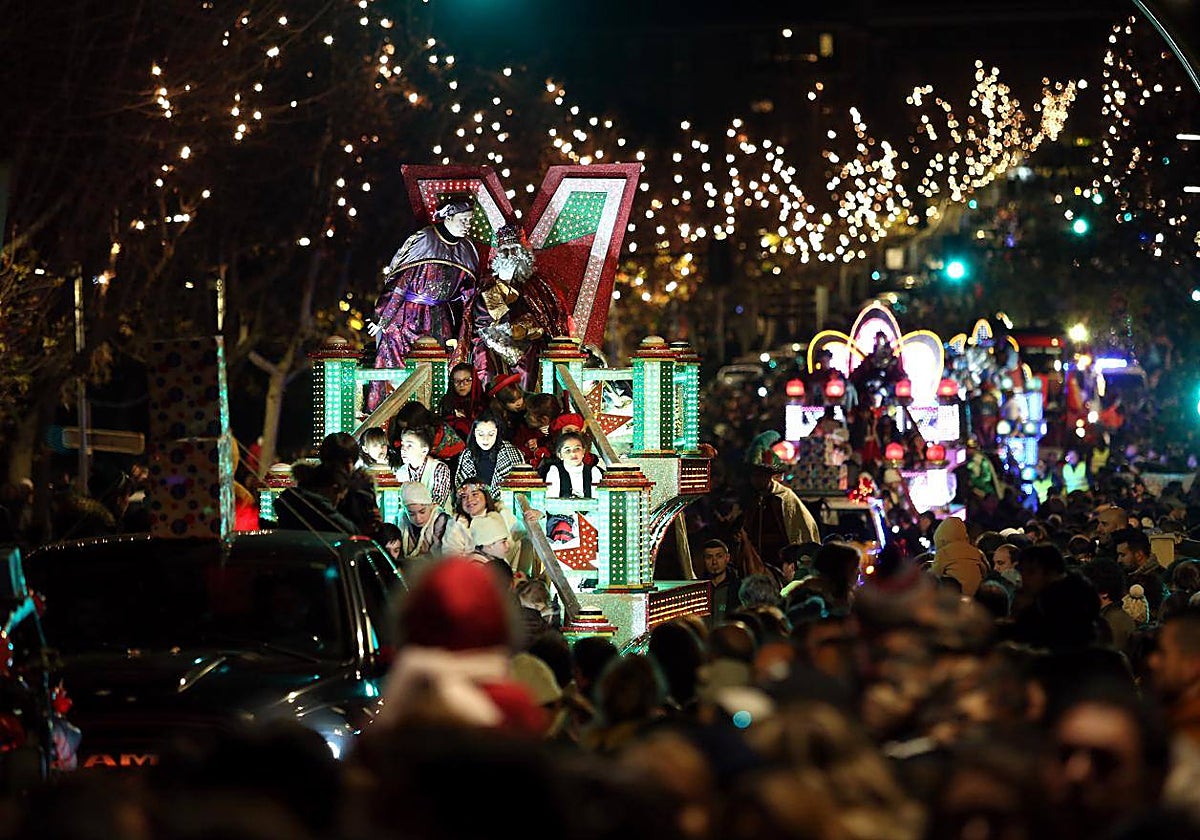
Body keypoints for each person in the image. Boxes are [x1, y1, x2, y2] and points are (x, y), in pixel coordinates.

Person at [366, 195, 480, 411]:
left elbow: (468, 291)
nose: (468, 225)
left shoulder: (468, 249)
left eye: (470, 220)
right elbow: (400, 282)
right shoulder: (424, 239)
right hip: (408, 316)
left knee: (439, 367)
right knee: (397, 367)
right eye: (463, 219)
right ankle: (391, 414)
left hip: (440, 317)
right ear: (448, 217)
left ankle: (435, 413)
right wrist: (382, 317)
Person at [467, 222, 572, 389]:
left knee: (527, 366)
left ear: (524, 253)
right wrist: (503, 283)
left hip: (527, 339)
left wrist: (524, 328)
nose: (510, 256)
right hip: (490, 338)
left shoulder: (538, 284)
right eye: (505, 252)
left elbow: (549, 319)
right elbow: (482, 319)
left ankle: (526, 405)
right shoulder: (488, 283)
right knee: (486, 365)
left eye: (515, 250)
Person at [394, 481, 472, 563]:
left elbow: (440, 558)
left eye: (422, 512)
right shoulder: (400, 520)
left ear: (431, 506)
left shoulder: (441, 522)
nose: (418, 518)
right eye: (412, 514)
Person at [455, 411, 526, 500]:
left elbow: (521, 490)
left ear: (497, 433)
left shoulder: (513, 455)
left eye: (491, 434)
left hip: (504, 509)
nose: (485, 439)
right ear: (474, 433)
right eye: (481, 434)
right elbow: (460, 490)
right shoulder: (466, 456)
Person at [273, 461, 357, 534]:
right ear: (334, 489)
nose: (339, 500)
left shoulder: (290, 501)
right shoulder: (320, 509)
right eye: (339, 496)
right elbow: (352, 531)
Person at [393, 427, 453, 509]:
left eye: (409, 445)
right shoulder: (401, 472)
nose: (403, 449)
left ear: (424, 451)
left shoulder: (438, 469)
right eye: (403, 445)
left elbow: (437, 506)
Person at [544, 432, 604, 500]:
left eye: (577, 449)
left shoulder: (594, 471)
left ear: (583, 451)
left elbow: (599, 500)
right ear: (560, 455)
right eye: (568, 450)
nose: (573, 453)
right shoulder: (554, 471)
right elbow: (551, 500)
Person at [439, 362, 486, 442]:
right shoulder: (447, 401)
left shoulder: (484, 402)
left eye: (467, 380)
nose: (461, 385)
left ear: (474, 381)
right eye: (457, 381)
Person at [702, 539, 741, 624]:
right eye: (709, 557)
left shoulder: (739, 588)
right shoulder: (698, 589)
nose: (714, 562)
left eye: (719, 556)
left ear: (727, 558)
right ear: (704, 560)